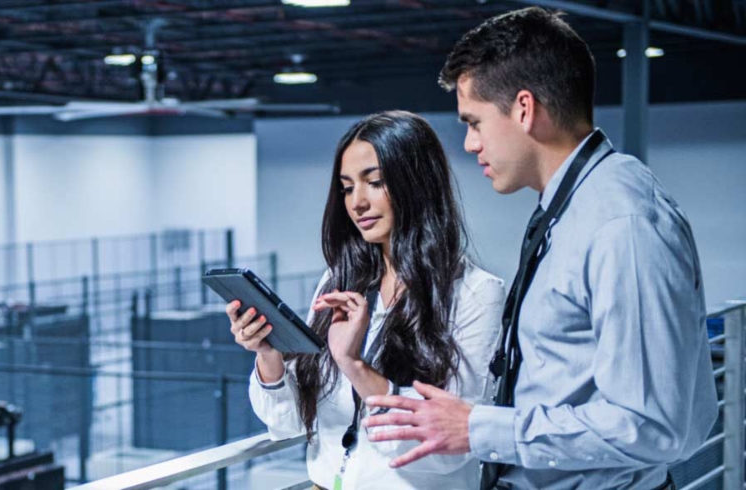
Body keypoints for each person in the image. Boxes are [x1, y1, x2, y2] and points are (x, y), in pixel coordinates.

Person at [363, 8, 718, 490]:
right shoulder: (576, 207)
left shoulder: (621, 224)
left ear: (524, 110)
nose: (469, 144)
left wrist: (479, 429)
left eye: (475, 122)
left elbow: (650, 425)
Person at [226, 110, 504, 489]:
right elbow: (288, 423)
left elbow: (448, 451)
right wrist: (269, 354)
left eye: (374, 182)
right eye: (346, 188)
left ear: (417, 183)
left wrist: (354, 365)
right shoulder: (339, 281)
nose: (357, 202)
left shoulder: (476, 293)